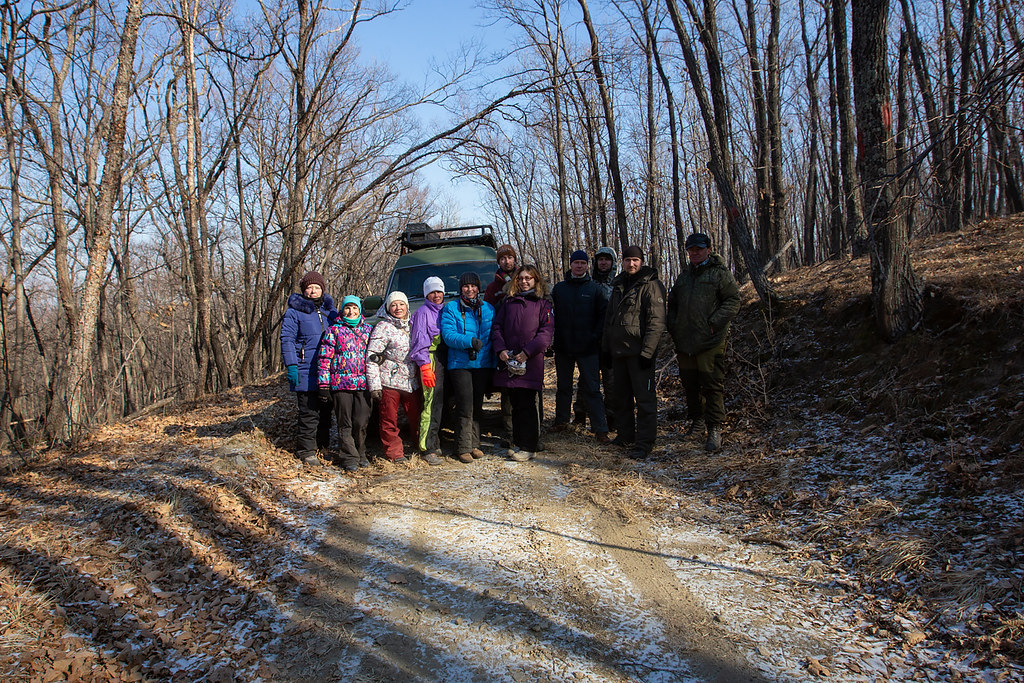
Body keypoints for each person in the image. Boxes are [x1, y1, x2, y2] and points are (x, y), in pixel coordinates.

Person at [667, 232, 741, 452]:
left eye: (699, 249)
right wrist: (674, 325)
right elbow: (673, 304)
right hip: (685, 342)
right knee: (690, 384)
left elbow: (733, 300)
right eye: (691, 250)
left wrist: (714, 323)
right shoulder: (684, 277)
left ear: (708, 250)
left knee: (712, 384)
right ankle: (697, 422)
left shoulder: (719, 273)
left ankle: (714, 428)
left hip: (710, 341)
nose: (695, 253)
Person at [602, 245, 667, 460]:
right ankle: (625, 436)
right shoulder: (619, 284)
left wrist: (647, 353)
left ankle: (645, 442)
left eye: (635, 260)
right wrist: (606, 349)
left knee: (644, 400)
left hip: (639, 354)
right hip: (619, 352)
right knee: (621, 398)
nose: (631, 264)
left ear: (642, 261)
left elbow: (656, 322)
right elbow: (609, 320)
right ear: (622, 262)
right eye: (628, 260)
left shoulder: (651, 285)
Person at [491, 265, 554, 462]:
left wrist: (527, 352)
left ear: (536, 281)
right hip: (510, 361)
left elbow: (546, 333)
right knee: (515, 404)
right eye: (521, 278)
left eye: (528, 278)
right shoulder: (508, 302)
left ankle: (529, 446)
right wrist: (501, 349)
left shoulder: (543, 304)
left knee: (528, 405)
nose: (524, 281)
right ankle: (519, 443)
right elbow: (497, 327)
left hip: (531, 362)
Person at [550, 250, 610, 443]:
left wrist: (594, 338)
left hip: (588, 348)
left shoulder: (595, 289)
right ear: (571, 265)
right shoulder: (559, 289)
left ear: (587, 265)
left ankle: (600, 429)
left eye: (582, 263)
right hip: (564, 347)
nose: (579, 266)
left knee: (592, 389)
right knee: (563, 387)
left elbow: (603, 317)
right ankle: (561, 421)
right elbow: (550, 316)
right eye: (576, 263)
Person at [281, 271, 338, 467]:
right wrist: (292, 365)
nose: (313, 291)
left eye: (317, 287)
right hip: (306, 368)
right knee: (308, 412)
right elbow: (287, 340)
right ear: (303, 290)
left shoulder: (331, 312)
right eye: (309, 288)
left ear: (322, 289)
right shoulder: (294, 312)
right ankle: (306, 451)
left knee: (326, 412)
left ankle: (322, 446)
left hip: (328, 371)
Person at [440, 272, 495, 463]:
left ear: (479, 288)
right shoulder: (451, 308)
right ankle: (462, 447)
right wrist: (469, 341)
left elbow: (492, 337)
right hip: (460, 364)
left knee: (477, 405)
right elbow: (448, 335)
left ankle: (474, 444)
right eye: (466, 286)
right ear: (460, 288)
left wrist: (493, 363)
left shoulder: (488, 309)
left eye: (473, 286)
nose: (470, 289)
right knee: (464, 405)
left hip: (482, 364)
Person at [317, 295, 373, 471]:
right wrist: (324, 385)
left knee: (361, 421)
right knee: (345, 423)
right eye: (348, 308)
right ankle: (349, 457)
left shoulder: (368, 330)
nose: (351, 311)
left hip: (364, 383)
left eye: (354, 308)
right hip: (340, 383)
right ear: (342, 310)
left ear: (359, 310)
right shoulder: (333, 330)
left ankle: (361, 452)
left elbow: (376, 352)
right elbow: (324, 358)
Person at [366, 291, 421, 463]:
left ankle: (420, 445)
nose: (398, 308)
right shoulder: (383, 327)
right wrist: (375, 385)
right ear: (388, 308)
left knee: (417, 415)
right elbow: (372, 356)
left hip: (411, 380)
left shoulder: (413, 324)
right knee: (389, 418)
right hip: (389, 380)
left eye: (401, 304)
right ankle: (394, 452)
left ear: (407, 306)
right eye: (394, 305)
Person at [574, 246, 618, 428]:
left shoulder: (618, 285)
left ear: (613, 262)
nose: (603, 262)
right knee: (586, 379)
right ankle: (580, 415)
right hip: (591, 339)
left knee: (611, 381)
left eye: (607, 259)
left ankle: (612, 418)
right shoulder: (588, 284)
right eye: (600, 259)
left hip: (611, 341)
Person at [409, 276, 447, 466]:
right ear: (426, 294)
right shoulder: (422, 313)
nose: (436, 295)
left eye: (439, 291)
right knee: (430, 403)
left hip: (444, 358)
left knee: (440, 403)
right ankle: (426, 447)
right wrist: (424, 366)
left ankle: (436, 440)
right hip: (429, 359)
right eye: (432, 292)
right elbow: (418, 341)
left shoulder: (444, 310)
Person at [483, 244, 517, 442]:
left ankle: (532, 432)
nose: (507, 261)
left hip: (525, 342)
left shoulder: (525, 279)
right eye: (503, 258)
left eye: (510, 257)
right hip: (504, 342)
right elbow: (489, 317)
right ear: (498, 262)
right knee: (508, 389)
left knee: (530, 389)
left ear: (515, 259)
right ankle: (511, 433)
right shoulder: (493, 287)